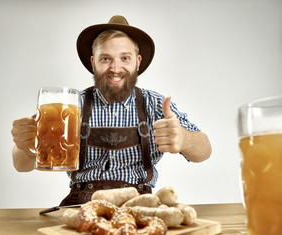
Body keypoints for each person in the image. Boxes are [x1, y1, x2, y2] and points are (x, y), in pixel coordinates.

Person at [11, 15, 212, 206]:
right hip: (81, 205)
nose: (115, 68)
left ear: (137, 62)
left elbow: (204, 150)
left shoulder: (156, 104)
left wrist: (184, 138)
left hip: (140, 204)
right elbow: (21, 165)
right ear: (93, 63)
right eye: (105, 59)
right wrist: (25, 145)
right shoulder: (71, 105)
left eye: (125, 58)